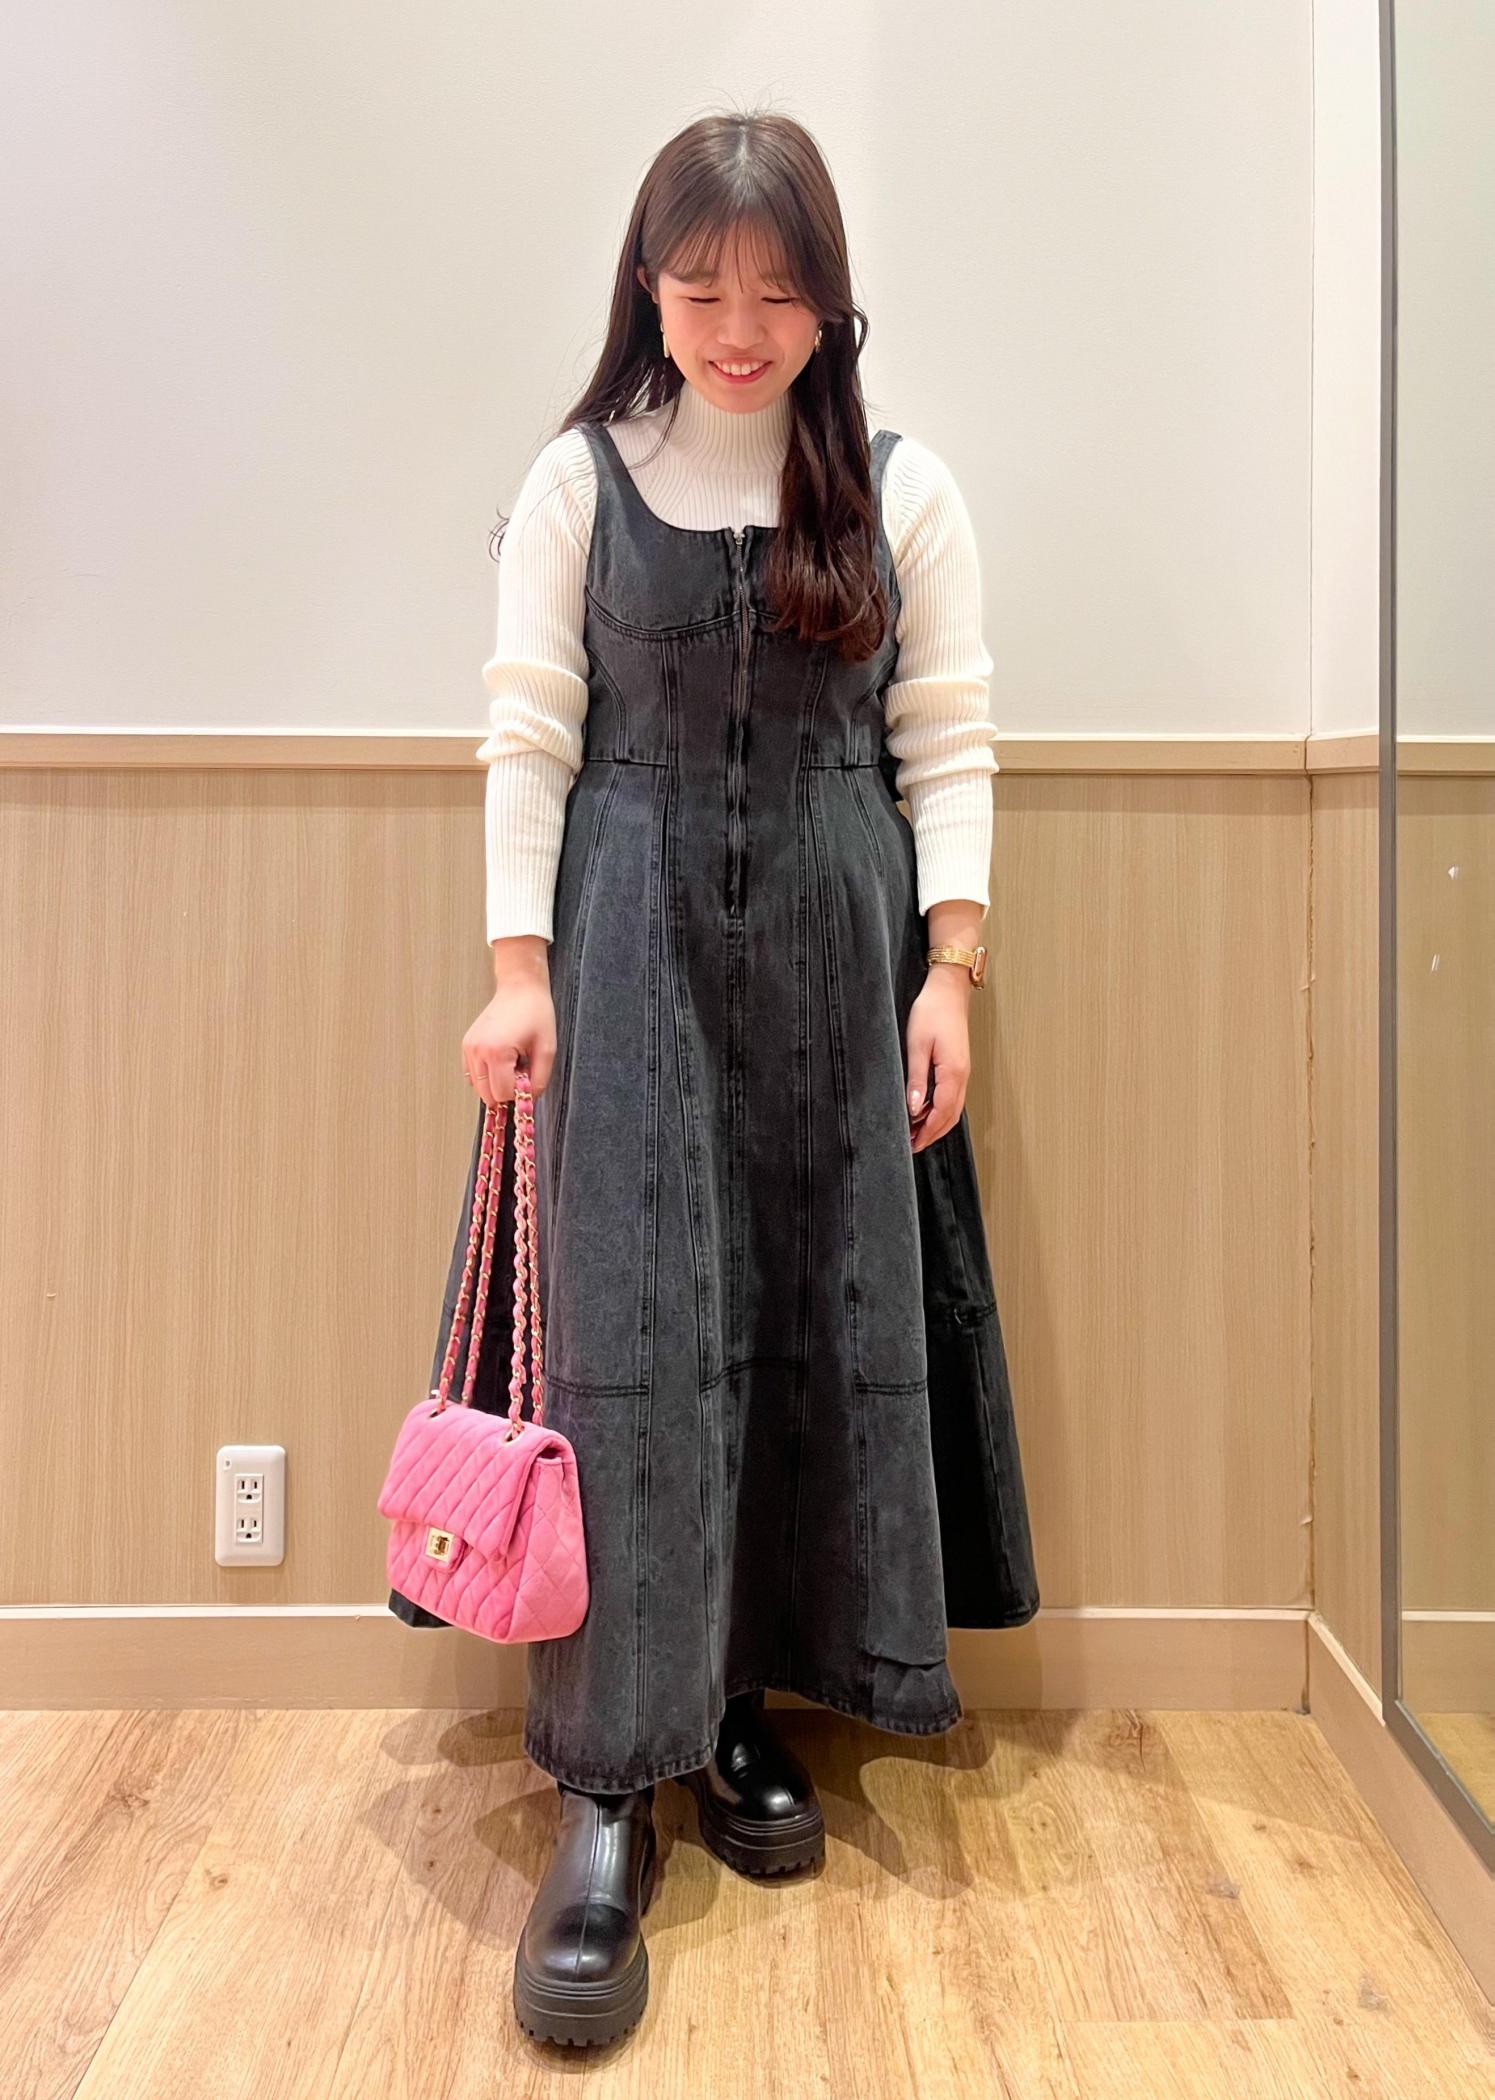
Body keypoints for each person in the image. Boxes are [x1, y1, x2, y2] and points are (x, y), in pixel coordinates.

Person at [389, 105, 1040, 2048]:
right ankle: (607, 1786)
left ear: (831, 303)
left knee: (798, 1331)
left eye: (776, 293)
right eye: (701, 291)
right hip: (628, 944)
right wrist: (517, 975)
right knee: (631, 1342)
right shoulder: (579, 482)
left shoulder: (905, 492)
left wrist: (953, 973)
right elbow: (530, 733)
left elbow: (949, 740)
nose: (738, 329)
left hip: (845, 958)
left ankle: (743, 1708)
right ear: (648, 292)